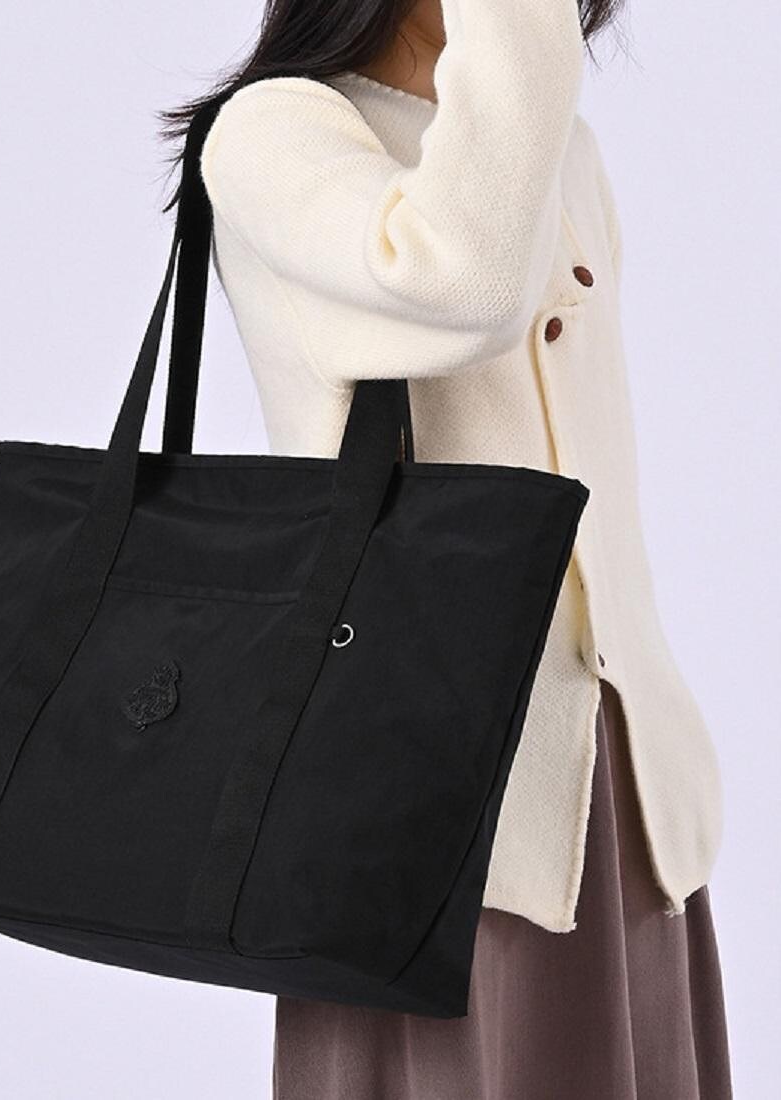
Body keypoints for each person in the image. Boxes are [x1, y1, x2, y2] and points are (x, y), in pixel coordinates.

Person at [157, 1, 734, 1096]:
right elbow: (463, 282)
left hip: (622, 790)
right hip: (421, 814)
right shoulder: (278, 134)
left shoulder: (557, 144)